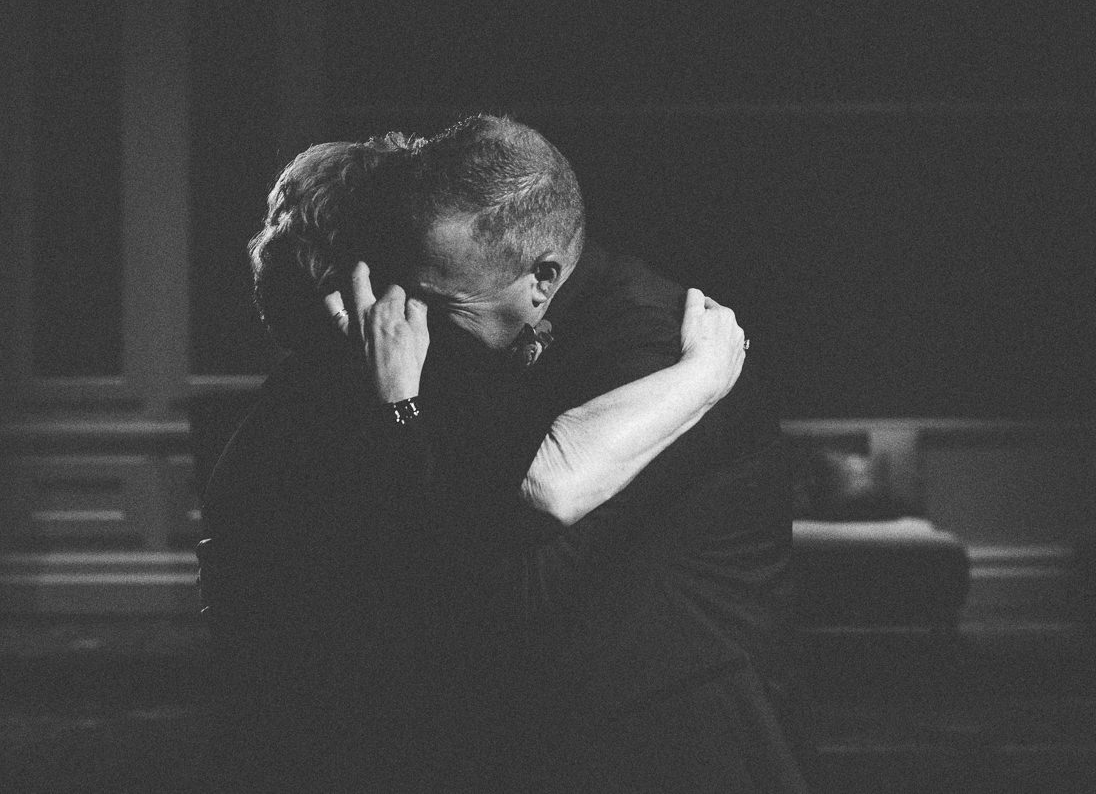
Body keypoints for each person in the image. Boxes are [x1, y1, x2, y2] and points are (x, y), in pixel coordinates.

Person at [199, 118, 811, 792]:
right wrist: (400, 403)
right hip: (352, 732)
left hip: (676, 734)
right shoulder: (353, 391)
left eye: (431, 291)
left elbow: (512, 565)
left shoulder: (642, 339)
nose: (416, 314)